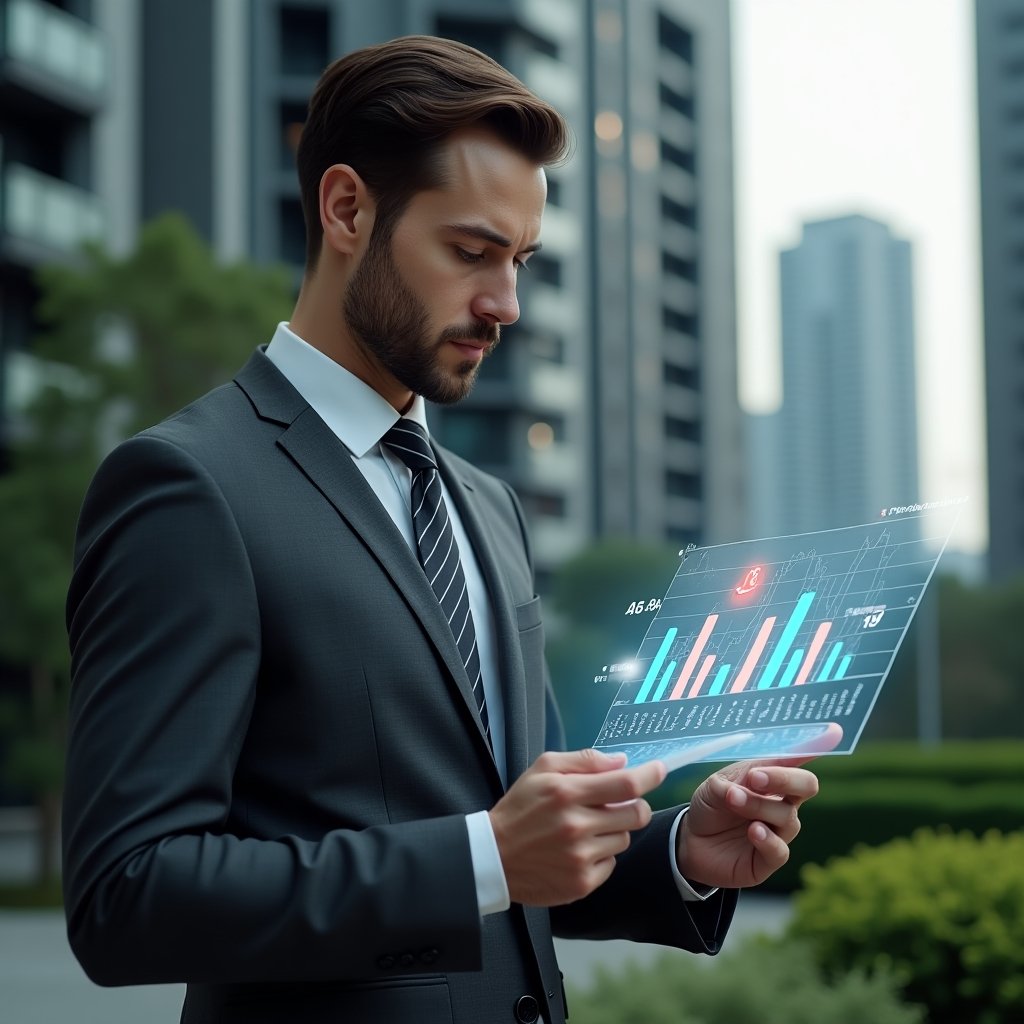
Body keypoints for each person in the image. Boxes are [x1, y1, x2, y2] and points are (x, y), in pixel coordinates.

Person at [62, 36, 833, 1024]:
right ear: (347, 209)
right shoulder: (186, 486)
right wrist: (482, 856)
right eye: (470, 252)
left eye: (519, 260)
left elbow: (524, 828)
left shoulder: (486, 503)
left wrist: (678, 850)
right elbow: (126, 894)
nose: (504, 303)